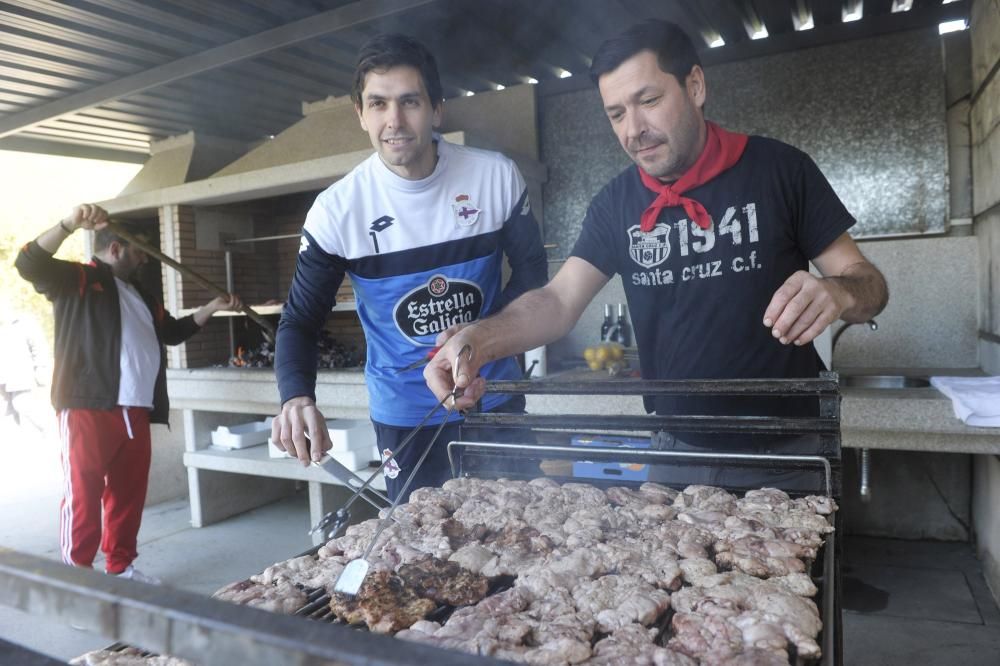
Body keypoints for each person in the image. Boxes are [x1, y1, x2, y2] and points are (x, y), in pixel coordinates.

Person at [425, 20, 888, 485]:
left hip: (788, 449)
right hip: (674, 451)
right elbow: (558, 301)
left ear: (695, 85)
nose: (634, 130)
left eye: (648, 101)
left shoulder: (781, 171)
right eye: (616, 114)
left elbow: (868, 283)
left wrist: (838, 292)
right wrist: (479, 340)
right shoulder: (615, 205)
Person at [271, 33, 547, 501]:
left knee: (522, 529)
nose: (394, 121)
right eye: (378, 104)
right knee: (420, 550)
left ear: (437, 108)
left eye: (409, 102)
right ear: (360, 113)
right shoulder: (337, 210)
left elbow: (534, 279)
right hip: (404, 414)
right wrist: (296, 397)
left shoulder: (494, 177)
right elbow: (300, 319)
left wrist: (482, 335)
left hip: (492, 393)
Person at [15, 203, 242, 583]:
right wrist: (70, 223)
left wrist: (213, 307)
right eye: (140, 251)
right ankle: (80, 584)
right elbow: (29, 264)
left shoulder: (141, 294)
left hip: (136, 408)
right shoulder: (78, 279)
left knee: (127, 494)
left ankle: (121, 567)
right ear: (116, 248)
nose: (144, 260)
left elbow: (172, 333)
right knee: (84, 494)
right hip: (89, 405)